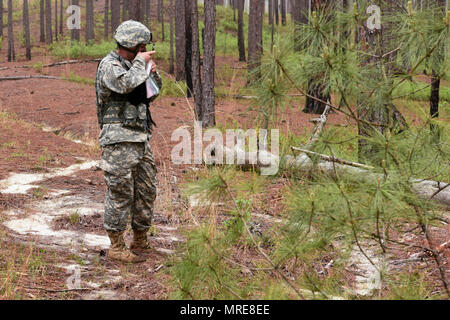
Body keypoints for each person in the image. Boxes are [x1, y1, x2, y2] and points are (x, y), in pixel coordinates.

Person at [95, 20, 162, 263]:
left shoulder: (135, 66)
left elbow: (151, 95)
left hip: (140, 139)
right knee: (120, 192)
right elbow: (123, 84)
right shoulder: (109, 66)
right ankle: (116, 246)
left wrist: (151, 74)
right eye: (142, 45)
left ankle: (141, 239)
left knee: (146, 190)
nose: (145, 49)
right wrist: (139, 66)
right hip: (118, 141)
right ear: (132, 44)